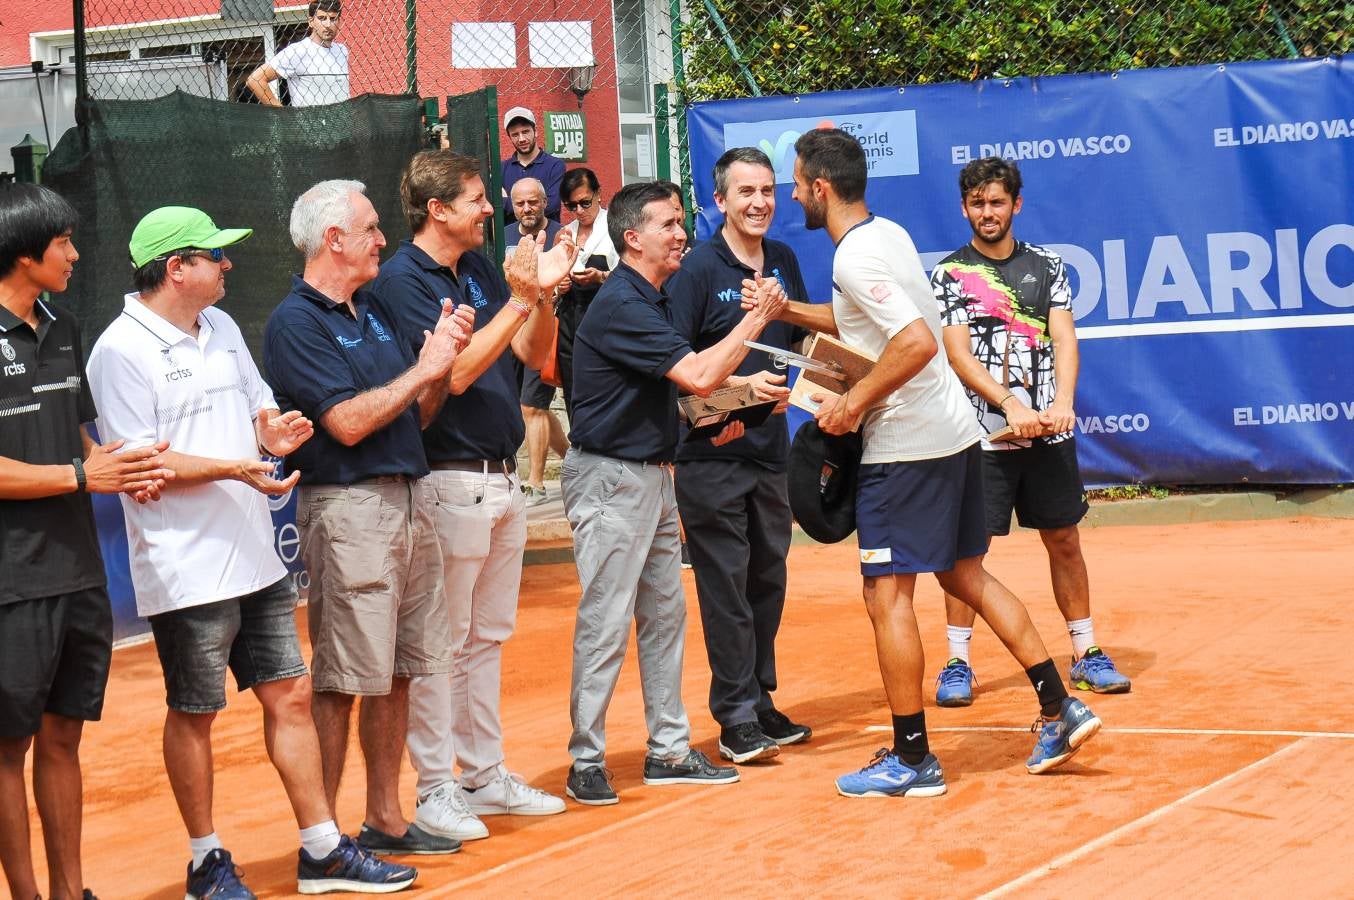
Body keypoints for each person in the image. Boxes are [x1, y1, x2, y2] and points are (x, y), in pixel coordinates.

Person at [759, 128, 1102, 797]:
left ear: (821, 188)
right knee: (964, 573)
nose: (792, 192)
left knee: (885, 594)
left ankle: (913, 759)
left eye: (797, 182)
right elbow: (866, 323)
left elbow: (914, 343)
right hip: (953, 432)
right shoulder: (883, 236)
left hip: (907, 448)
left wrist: (851, 402)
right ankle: (1062, 707)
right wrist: (789, 311)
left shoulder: (856, 257)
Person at [86, 206, 417, 897]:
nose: (228, 265)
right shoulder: (119, 350)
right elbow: (142, 462)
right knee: (196, 713)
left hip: (255, 555)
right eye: (215, 255)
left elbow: (258, 409)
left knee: (290, 695)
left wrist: (273, 434)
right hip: (184, 566)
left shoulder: (225, 327)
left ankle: (322, 849)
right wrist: (235, 467)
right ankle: (207, 861)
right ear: (177, 269)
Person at [262, 179, 474, 862]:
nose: (384, 239)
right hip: (350, 510)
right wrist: (423, 369)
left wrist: (437, 367)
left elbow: (416, 415)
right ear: (334, 240)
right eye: (372, 228)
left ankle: (385, 817)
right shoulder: (296, 322)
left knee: (401, 671)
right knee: (344, 679)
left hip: (406, 502)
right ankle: (323, 843)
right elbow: (348, 424)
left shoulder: (370, 311)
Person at [560, 180, 789, 806]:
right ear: (633, 238)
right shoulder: (624, 302)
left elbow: (684, 396)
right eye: (668, 224)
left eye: (682, 222)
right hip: (610, 479)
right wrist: (758, 316)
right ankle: (586, 760)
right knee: (606, 621)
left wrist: (738, 401)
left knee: (664, 616)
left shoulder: (651, 298)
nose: (682, 233)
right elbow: (698, 373)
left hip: (652, 476)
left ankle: (667, 750)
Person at [374, 150, 576, 842]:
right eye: (475, 199)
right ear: (436, 211)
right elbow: (452, 375)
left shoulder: (484, 268)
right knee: (439, 644)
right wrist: (521, 298)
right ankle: (434, 789)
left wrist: (542, 293)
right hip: (445, 478)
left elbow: (531, 354)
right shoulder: (400, 281)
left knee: (485, 639)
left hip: (503, 475)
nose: (491, 208)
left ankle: (483, 774)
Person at [0, 184, 172, 900]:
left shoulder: (65, 327)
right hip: (10, 582)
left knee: (64, 736)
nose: (75, 253)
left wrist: (126, 472)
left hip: (77, 571)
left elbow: (82, 441)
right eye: (63, 242)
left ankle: (69, 893)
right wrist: (80, 473)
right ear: (24, 252)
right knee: (8, 748)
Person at [930, 157, 1132, 707]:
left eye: (997, 202)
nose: (987, 212)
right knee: (966, 552)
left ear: (1015, 205)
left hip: (1049, 434)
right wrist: (1008, 404)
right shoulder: (950, 274)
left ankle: (1086, 653)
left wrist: (1061, 402)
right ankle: (956, 662)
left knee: (1064, 539)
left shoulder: (1049, 266)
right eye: (977, 203)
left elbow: (1065, 340)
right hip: (981, 438)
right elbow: (956, 354)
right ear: (964, 207)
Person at [666, 147, 812, 764]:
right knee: (725, 584)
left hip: (769, 453)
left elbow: (802, 343)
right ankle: (733, 715)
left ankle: (760, 696)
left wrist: (805, 393)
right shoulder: (697, 269)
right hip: (709, 456)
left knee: (767, 578)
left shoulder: (782, 260)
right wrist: (740, 397)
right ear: (720, 201)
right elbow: (678, 370)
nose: (760, 203)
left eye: (769, 191)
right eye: (746, 193)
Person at [505, 178, 569, 504]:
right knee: (527, 407)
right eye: (520, 203)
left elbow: (568, 279)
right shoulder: (500, 237)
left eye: (533, 202)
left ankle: (536, 484)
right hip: (509, 329)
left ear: (545, 202)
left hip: (546, 327)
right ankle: (573, 462)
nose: (527, 209)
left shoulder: (561, 235)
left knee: (532, 405)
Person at [554, 167, 619, 419]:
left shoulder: (614, 226)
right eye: (572, 206)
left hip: (603, 315)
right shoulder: (565, 233)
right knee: (572, 387)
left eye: (585, 202)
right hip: (570, 319)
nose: (579, 211)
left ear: (599, 194)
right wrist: (560, 287)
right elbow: (552, 283)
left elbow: (629, 273)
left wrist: (601, 277)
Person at [246, 0, 349, 107]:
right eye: (322, 18)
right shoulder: (298, 51)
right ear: (311, 21)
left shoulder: (341, 51)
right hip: (310, 123)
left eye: (333, 19)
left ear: (339, 21)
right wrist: (282, 114)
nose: (328, 24)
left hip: (342, 122)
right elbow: (255, 79)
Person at [500, 107, 564, 225]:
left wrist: (505, 202)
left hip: (548, 237)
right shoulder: (501, 169)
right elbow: (495, 209)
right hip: (512, 240)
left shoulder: (555, 165)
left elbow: (551, 205)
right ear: (509, 137)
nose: (522, 139)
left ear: (535, 131)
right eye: (515, 135)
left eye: (525, 132)